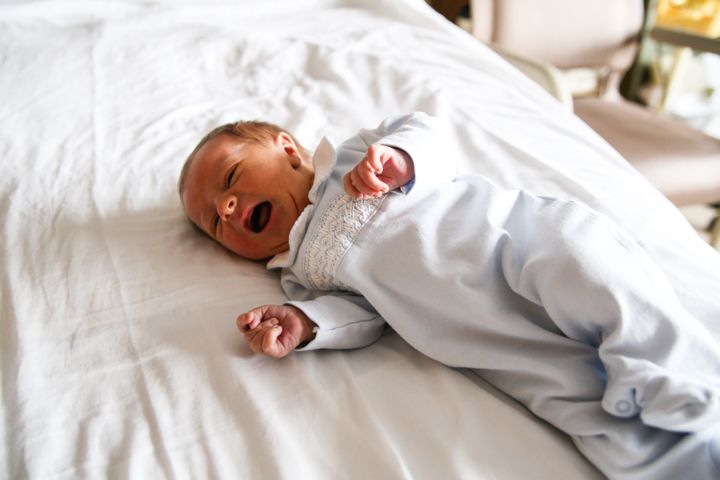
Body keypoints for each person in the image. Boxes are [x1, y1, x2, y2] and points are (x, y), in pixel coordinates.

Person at [179, 112, 720, 479]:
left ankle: (676, 384)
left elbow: (429, 132)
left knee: (601, 283)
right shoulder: (301, 277)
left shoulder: (354, 157)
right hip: (487, 334)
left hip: (517, 245)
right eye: (214, 222)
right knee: (573, 398)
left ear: (286, 148)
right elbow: (360, 316)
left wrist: (400, 158)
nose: (226, 208)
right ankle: (679, 462)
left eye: (231, 177)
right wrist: (303, 324)